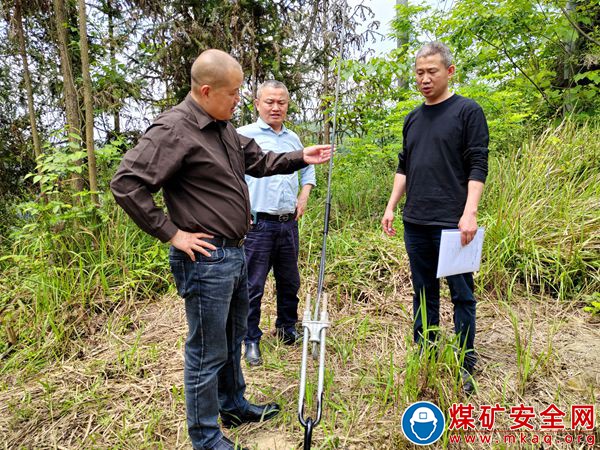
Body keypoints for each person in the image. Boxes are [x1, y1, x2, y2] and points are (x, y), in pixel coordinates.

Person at [110, 49, 331, 450]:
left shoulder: (222, 127)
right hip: (205, 259)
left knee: (231, 339)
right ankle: (206, 436)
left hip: (235, 252)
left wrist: (302, 156)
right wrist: (172, 233)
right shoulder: (174, 130)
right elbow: (126, 183)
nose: (238, 100)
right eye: (233, 93)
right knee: (206, 350)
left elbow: (259, 159)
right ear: (207, 90)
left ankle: (233, 404)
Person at [381, 42, 489, 395]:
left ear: (449, 72)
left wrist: (469, 212)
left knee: (462, 295)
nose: (425, 79)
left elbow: (477, 164)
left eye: (432, 72)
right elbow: (404, 166)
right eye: (419, 73)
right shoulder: (413, 118)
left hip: (454, 223)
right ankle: (425, 355)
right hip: (416, 221)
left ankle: (465, 365)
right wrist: (392, 205)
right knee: (423, 292)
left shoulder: (467, 112)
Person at [237, 80, 315, 366]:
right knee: (252, 285)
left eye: (281, 102)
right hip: (257, 226)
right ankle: (250, 339)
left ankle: (286, 328)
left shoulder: (293, 139)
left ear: (287, 105)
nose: (275, 107)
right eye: (269, 102)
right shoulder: (243, 136)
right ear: (257, 104)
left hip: (287, 224)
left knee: (289, 280)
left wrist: (304, 195)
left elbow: (307, 171)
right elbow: (231, 179)